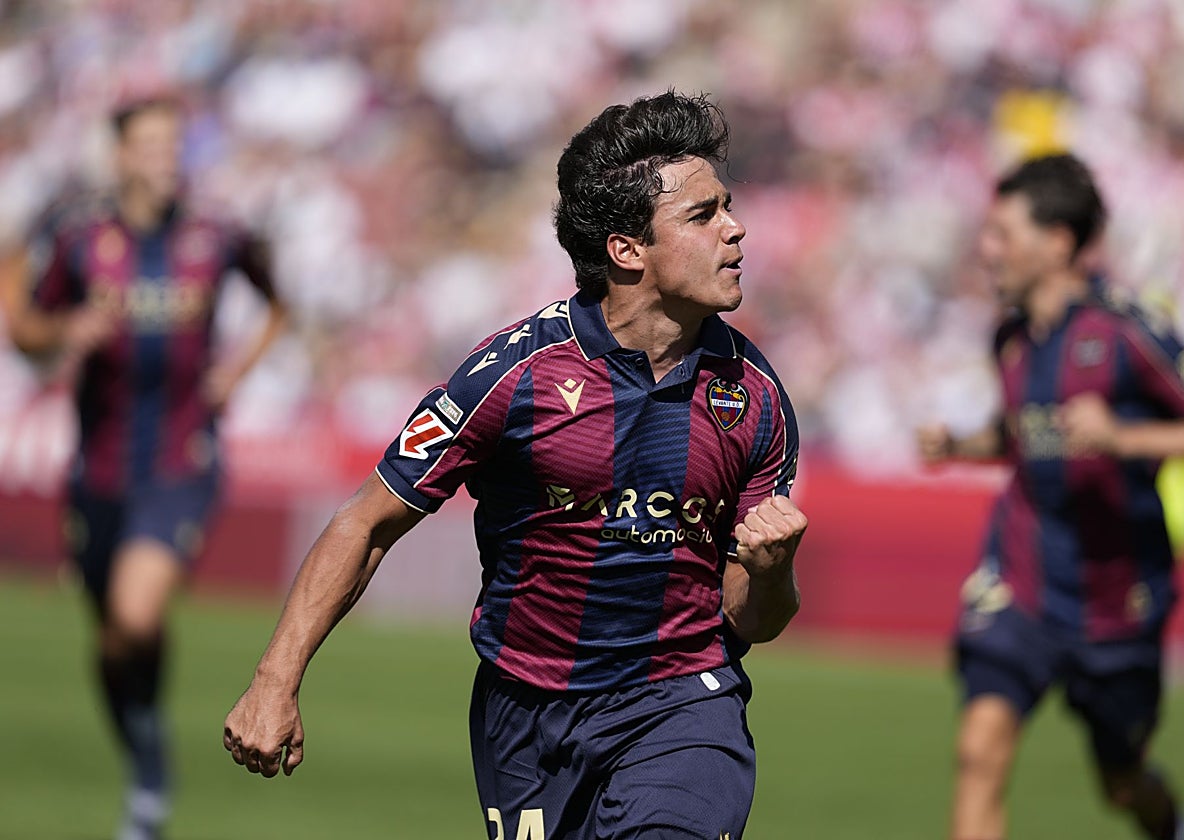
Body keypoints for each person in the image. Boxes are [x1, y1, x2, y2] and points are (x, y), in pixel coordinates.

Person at [223, 90, 806, 839]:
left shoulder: (753, 398)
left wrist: (770, 569)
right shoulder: (514, 374)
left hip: (683, 704)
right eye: (703, 216)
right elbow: (368, 523)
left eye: (727, 206)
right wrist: (275, 680)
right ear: (627, 250)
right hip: (528, 714)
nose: (737, 229)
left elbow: (751, 618)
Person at [8, 97, 287, 840]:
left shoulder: (217, 233)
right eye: (152, 144)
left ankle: (150, 769)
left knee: (137, 613)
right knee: (111, 642)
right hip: (97, 466)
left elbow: (278, 303)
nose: (167, 157)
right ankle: (145, 753)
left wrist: (238, 370)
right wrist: (67, 328)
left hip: (182, 456)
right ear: (122, 155)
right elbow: (25, 330)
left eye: (175, 144)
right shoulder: (78, 238)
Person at [918, 154, 1184, 840]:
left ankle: (1172, 823)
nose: (986, 250)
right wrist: (963, 447)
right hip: (1022, 579)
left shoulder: (1127, 331)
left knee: (1122, 782)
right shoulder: (1010, 338)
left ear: (1058, 243)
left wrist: (1124, 440)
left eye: (1002, 233)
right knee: (979, 749)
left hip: (1117, 601)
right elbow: (1028, 437)